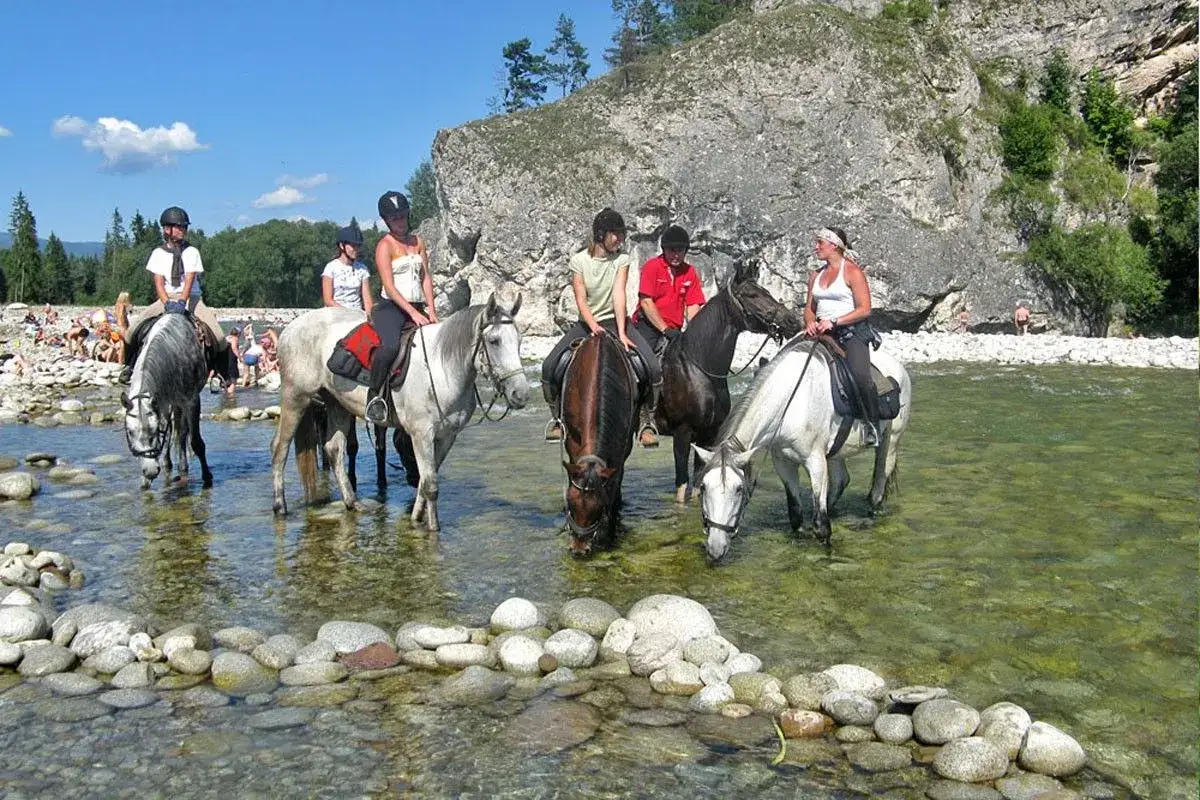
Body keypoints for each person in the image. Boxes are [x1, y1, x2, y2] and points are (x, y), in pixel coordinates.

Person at [541, 208, 662, 448]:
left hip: (617, 323)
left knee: (652, 367)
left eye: (621, 234)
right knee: (549, 366)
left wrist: (623, 333)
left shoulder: (622, 260)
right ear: (600, 235)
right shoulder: (579, 261)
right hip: (586, 324)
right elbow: (581, 299)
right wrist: (593, 326)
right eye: (615, 234)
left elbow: (619, 295)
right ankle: (557, 419)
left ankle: (647, 422)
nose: (620, 238)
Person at [120, 206, 236, 385]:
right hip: (165, 297)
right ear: (167, 229)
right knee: (130, 332)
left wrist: (183, 301)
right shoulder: (158, 253)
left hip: (191, 298)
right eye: (180, 227)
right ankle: (129, 366)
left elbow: (190, 279)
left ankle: (224, 373)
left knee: (219, 337)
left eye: (184, 227)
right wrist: (166, 302)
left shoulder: (192, 252)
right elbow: (158, 282)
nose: (184, 230)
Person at [803, 226, 880, 446]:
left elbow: (865, 309)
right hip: (820, 333)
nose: (816, 247)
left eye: (820, 242)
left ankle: (872, 424)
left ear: (834, 245)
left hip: (850, 332)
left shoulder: (853, 272)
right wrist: (810, 322)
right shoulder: (815, 276)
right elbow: (810, 307)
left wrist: (835, 321)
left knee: (861, 375)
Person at [365, 191, 437, 425]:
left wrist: (431, 311)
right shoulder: (384, 246)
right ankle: (374, 397)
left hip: (418, 305)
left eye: (403, 216)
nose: (401, 221)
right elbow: (389, 285)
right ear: (387, 220)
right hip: (392, 307)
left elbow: (425, 278)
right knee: (390, 347)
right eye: (395, 218)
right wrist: (413, 313)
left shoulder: (418, 242)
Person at [630, 224, 705, 353]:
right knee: (644, 362)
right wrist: (665, 329)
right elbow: (646, 302)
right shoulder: (652, 267)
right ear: (664, 249)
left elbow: (693, 305)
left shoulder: (690, 272)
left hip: (675, 331)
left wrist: (695, 332)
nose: (676, 255)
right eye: (672, 250)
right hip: (649, 326)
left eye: (680, 250)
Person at [322, 226, 373, 313]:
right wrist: (346, 312)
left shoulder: (363, 269)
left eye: (358, 246)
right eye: (353, 246)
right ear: (342, 246)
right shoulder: (330, 268)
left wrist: (371, 317)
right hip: (336, 312)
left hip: (357, 313)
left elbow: (367, 299)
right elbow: (328, 300)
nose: (356, 249)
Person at [241, 323, 265, 388]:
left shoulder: (254, 345)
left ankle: (243, 385)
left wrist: (249, 327)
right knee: (257, 371)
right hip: (254, 357)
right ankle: (257, 382)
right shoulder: (263, 349)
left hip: (247, 356)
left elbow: (250, 336)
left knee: (246, 374)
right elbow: (263, 359)